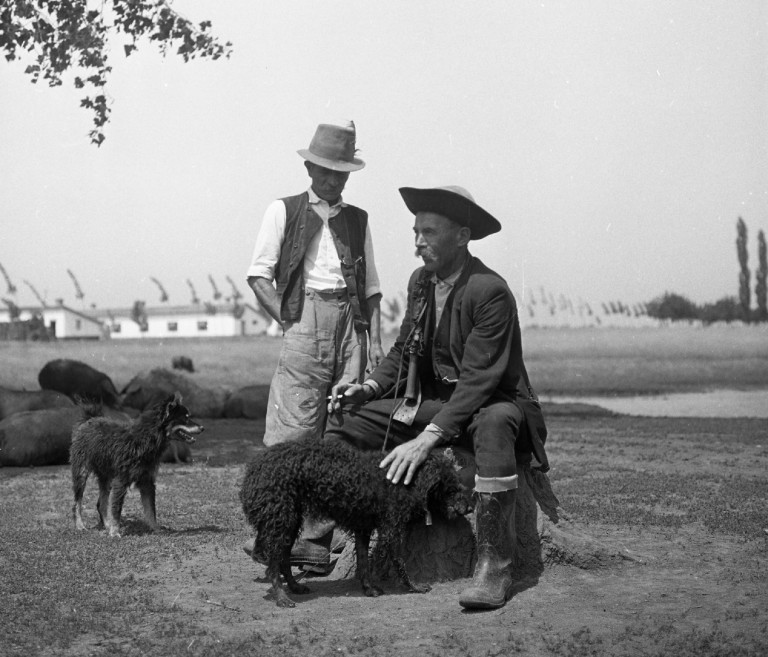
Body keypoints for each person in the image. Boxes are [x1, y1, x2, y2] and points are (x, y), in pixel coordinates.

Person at [325, 185, 548, 610]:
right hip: (439, 405)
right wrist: (368, 388)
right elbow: (401, 351)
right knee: (347, 420)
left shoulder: (490, 290)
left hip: (490, 403)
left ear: (462, 236)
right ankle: (329, 530)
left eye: (428, 232)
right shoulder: (421, 283)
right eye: (414, 232)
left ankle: (494, 566)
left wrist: (427, 437)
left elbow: (480, 381)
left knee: (496, 423)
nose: (417, 243)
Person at [245, 120, 384, 570]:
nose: (334, 179)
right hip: (305, 318)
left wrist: (375, 341)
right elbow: (258, 275)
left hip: (351, 326)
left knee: (340, 426)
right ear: (308, 167)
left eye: (342, 172)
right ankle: (274, 534)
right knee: (294, 428)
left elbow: (372, 288)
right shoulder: (283, 210)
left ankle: (317, 541)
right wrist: (290, 321)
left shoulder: (358, 219)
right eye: (326, 170)